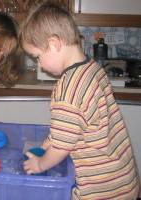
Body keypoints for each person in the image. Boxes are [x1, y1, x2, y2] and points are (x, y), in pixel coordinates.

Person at [20, 2, 140, 199]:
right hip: (124, 179)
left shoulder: (67, 90)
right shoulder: (93, 68)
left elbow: (62, 147)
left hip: (101, 190)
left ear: (54, 44)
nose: (38, 63)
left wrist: (40, 164)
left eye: (37, 57)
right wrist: (44, 146)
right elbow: (72, 128)